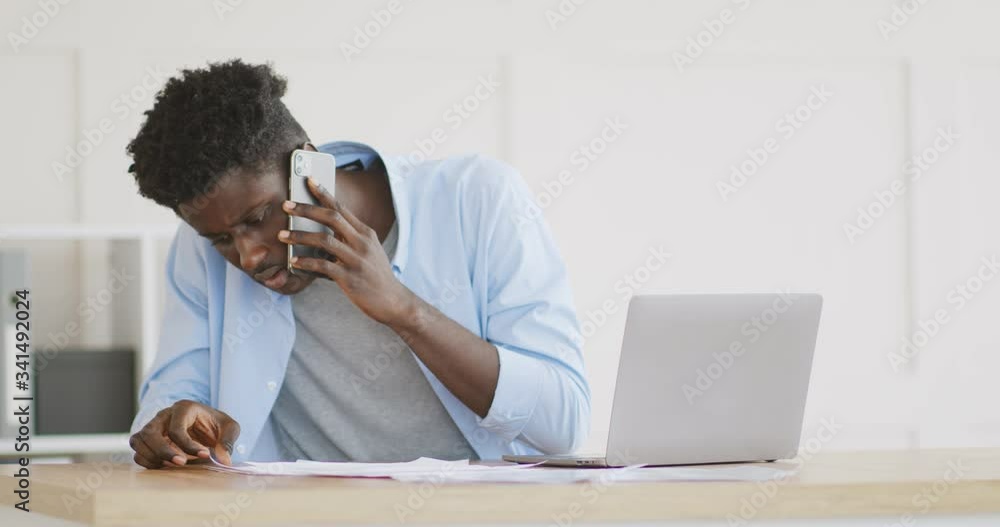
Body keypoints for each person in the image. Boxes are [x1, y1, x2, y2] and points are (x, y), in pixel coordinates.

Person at [125, 59, 589, 469]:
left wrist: (405, 311)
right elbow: (173, 395)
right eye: (223, 239)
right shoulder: (199, 248)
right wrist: (173, 425)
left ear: (308, 165)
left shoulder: (478, 198)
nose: (249, 257)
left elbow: (563, 424)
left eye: (258, 218)